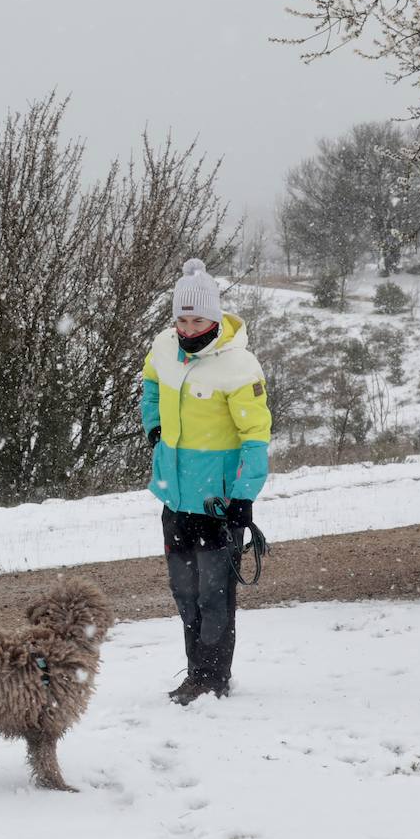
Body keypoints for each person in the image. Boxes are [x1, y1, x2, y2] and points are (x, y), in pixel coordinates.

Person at [141, 258, 271, 705]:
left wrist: (244, 498)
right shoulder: (163, 347)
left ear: (215, 317)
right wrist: (153, 427)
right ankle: (196, 671)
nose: (188, 326)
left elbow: (255, 438)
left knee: (215, 596)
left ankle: (213, 678)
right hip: (175, 497)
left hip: (218, 503)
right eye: (181, 318)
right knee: (184, 592)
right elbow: (151, 385)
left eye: (197, 318)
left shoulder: (239, 365)